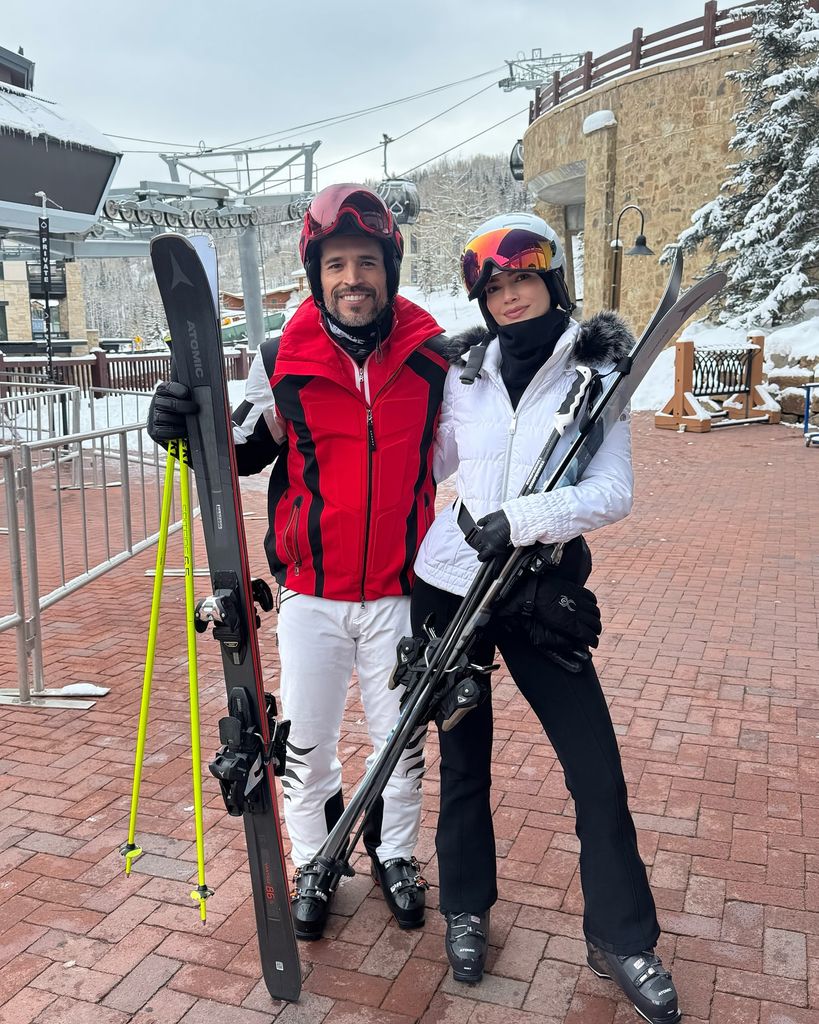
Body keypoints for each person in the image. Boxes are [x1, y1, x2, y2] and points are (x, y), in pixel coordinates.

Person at [147, 184, 452, 941]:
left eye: (369, 262)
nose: (355, 278)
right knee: (305, 744)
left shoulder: (429, 356)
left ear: (391, 266)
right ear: (317, 273)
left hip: (400, 592)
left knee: (401, 743)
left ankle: (394, 855)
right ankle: (314, 861)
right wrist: (182, 427)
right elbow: (244, 451)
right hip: (311, 592)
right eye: (338, 263)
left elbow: (474, 440)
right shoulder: (282, 358)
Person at [407, 213, 681, 1024]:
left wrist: (521, 520)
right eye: (492, 288)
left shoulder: (599, 374)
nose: (509, 298)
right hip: (451, 582)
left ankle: (621, 936)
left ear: (550, 281)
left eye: (521, 279)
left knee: (593, 766)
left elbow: (612, 492)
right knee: (463, 761)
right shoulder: (465, 374)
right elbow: (428, 465)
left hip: (533, 585)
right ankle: (465, 906)